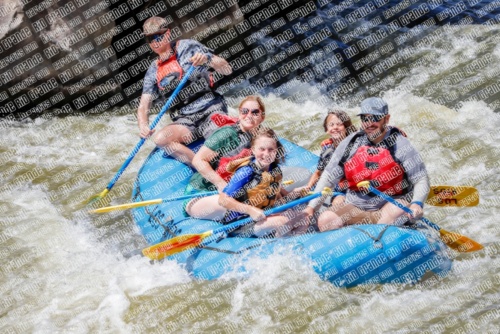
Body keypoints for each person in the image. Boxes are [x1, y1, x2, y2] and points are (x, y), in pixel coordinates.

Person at [304, 97, 430, 231]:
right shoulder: (350, 143)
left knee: (394, 213)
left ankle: (382, 238)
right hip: (355, 207)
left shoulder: (401, 145)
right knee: (326, 219)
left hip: (388, 206)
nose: (369, 123)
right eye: (365, 119)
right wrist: (311, 208)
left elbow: (421, 179)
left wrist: (417, 204)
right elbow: (328, 177)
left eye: (375, 118)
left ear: (386, 119)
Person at [137, 16, 232, 167]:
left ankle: (226, 163)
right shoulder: (153, 70)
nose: (154, 42)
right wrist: (143, 125)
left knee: (220, 145)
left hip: (211, 109)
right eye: (149, 39)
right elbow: (143, 105)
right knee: (161, 139)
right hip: (186, 121)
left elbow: (227, 69)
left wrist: (207, 59)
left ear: (167, 34)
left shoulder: (189, 47)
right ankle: (200, 167)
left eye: (157, 36)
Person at [187, 129, 305, 237]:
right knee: (282, 222)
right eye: (262, 149)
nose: (266, 154)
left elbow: (274, 199)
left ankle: (296, 244)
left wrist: (293, 194)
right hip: (241, 221)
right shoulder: (246, 172)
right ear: (253, 150)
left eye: (271, 150)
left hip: (262, 214)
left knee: (302, 216)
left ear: (276, 151)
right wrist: (250, 210)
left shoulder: (275, 170)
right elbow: (223, 199)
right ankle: (281, 249)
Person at [186, 95, 266, 196]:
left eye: (255, 112)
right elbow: (198, 160)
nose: (249, 115)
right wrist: (221, 184)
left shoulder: (261, 139)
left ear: (262, 117)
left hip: (235, 188)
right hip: (204, 189)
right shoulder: (227, 133)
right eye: (245, 111)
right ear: (240, 113)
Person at [295, 109, 357, 208]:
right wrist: (309, 187)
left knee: (338, 203)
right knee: (298, 195)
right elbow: (318, 172)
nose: (335, 127)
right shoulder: (327, 150)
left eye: (339, 124)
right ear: (327, 129)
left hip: (350, 189)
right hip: (332, 187)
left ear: (346, 127)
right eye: (331, 125)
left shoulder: (355, 146)